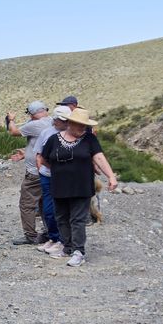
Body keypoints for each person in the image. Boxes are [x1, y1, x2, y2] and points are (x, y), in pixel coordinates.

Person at [38, 107, 117, 267]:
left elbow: (99, 157)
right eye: (79, 125)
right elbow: (45, 159)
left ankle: (78, 251)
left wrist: (111, 176)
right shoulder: (54, 140)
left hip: (81, 186)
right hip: (60, 186)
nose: (82, 128)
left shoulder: (89, 139)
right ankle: (67, 248)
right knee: (61, 218)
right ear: (70, 123)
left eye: (84, 125)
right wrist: (60, 170)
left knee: (77, 219)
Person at [5, 100, 51, 245]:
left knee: (26, 204)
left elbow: (13, 132)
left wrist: (11, 120)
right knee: (45, 203)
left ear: (32, 113)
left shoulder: (35, 124)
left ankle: (31, 235)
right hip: (46, 171)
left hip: (34, 173)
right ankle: (50, 232)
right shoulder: (51, 123)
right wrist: (27, 153)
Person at [33, 106, 66, 254]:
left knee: (63, 209)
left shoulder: (71, 134)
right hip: (47, 175)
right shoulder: (46, 133)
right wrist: (41, 169)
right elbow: (39, 154)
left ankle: (62, 239)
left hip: (64, 177)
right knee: (48, 209)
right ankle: (53, 237)